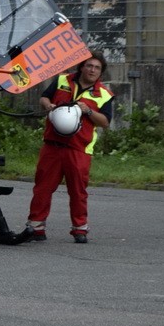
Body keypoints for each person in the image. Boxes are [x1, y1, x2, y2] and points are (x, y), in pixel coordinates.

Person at [26, 52, 114, 244]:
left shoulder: (104, 94)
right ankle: (36, 226)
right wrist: (48, 105)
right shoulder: (61, 80)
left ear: (101, 73)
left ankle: (80, 228)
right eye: (89, 66)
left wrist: (88, 111)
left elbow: (105, 122)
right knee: (42, 188)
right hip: (52, 145)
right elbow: (43, 98)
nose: (92, 70)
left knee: (78, 191)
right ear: (81, 67)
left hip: (79, 149)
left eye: (97, 68)